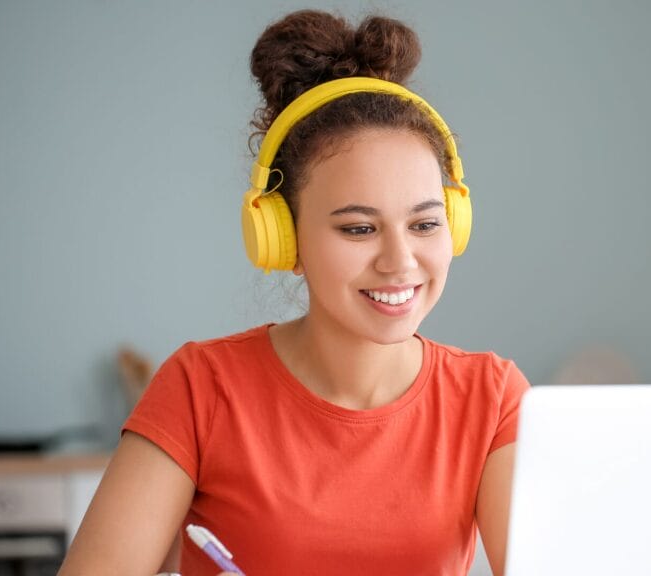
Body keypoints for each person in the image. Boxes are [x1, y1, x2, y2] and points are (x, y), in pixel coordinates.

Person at [58, 9, 530, 576]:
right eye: (358, 228)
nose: (399, 261)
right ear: (282, 239)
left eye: (425, 224)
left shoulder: (493, 398)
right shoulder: (199, 390)